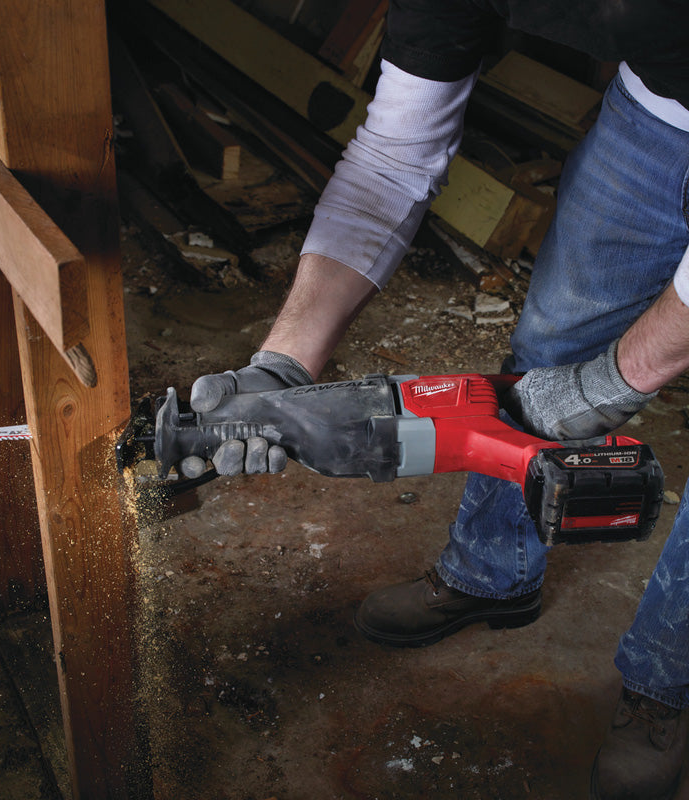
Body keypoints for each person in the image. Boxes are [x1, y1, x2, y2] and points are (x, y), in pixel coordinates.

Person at [182, 3, 689, 798]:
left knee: (587, 380)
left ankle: (665, 681)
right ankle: (491, 575)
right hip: (655, 114)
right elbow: (392, 157)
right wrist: (282, 362)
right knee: (550, 347)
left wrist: (613, 381)